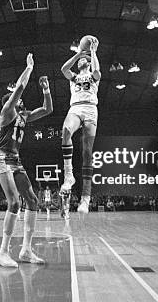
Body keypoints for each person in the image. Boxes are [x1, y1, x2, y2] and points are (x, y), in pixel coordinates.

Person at [0, 53, 53, 267]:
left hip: (16, 159)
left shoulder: (24, 116)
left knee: (33, 201)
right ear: (10, 103)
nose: (21, 100)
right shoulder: (7, 113)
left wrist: (46, 89)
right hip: (2, 158)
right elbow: (19, 89)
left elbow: (48, 109)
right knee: (15, 202)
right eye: (17, 100)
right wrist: (29, 68)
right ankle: (2, 252)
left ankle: (26, 250)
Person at [59, 37, 101, 214]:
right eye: (82, 60)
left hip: (91, 109)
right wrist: (78, 54)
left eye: (86, 60)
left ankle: (85, 198)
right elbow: (63, 69)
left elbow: (98, 71)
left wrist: (93, 52)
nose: (84, 61)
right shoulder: (74, 77)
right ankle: (69, 175)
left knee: (87, 152)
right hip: (76, 108)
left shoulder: (93, 76)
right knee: (66, 130)